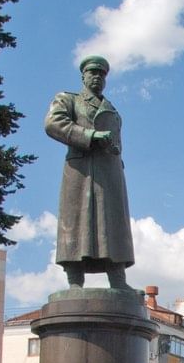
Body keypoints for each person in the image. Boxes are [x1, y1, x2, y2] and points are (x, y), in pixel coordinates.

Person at [44, 55, 135, 289]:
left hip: (110, 174)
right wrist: (90, 136)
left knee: (113, 225)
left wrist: (111, 146)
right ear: (83, 76)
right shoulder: (69, 100)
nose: (97, 77)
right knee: (76, 223)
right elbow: (53, 123)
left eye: (101, 74)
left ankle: (118, 280)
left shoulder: (113, 111)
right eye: (92, 72)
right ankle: (75, 281)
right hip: (81, 171)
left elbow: (118, 144)